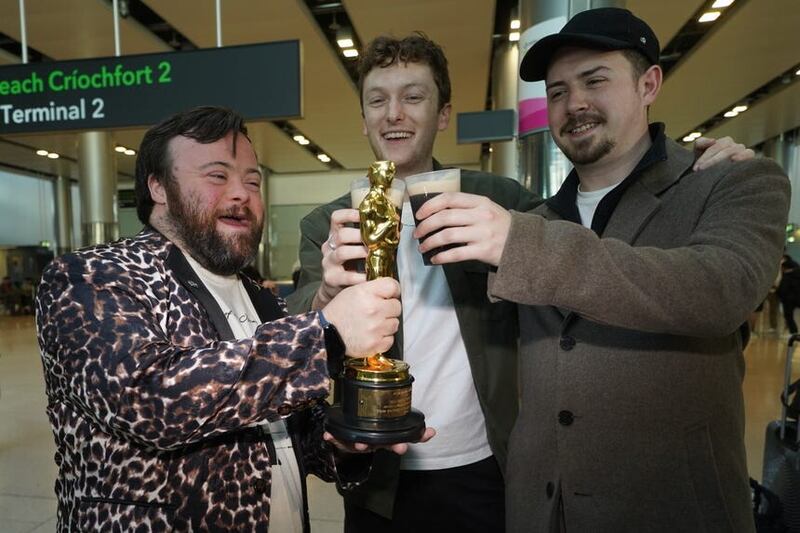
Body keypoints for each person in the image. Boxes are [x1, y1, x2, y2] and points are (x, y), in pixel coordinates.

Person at [287, 32, 752, 533]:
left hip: (488, 468)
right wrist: (327, 298)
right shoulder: (329, 224)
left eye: (413, 97)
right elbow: (296, 332)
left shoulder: (499, 201)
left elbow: (598, 238)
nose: (393, 113)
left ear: (443, 114)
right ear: (363, 119)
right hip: (379, 474)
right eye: (378, 100)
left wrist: (686, 159)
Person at [415, 8, 790, 532]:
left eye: (595, 81)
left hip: (670, 509)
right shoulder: (537, 215)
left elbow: (719, 290)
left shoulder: (733, 182)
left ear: (648, 83)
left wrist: (520, 243)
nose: (576, 104)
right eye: (558, 91)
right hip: (541, 511)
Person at [35, 106, 433, 532]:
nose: (241, 193)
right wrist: (326, 336)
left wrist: (344, 443)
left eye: (252, 180)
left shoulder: (260, 297)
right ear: (158, 186)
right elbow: (150, 400)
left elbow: (287, 430)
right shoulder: (91, 276)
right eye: (217, 175)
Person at [777, 254, 800, 334]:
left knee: (788, 316)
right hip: (797, 298)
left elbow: (783, 289)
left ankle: (794, 333)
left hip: (788, 300)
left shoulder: (787, 276)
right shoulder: (798, 273)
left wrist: (779, 295)